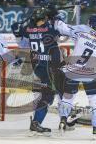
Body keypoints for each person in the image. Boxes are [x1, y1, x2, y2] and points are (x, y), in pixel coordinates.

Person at [54, 14, 96, 138]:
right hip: (91, 72)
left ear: (90, 23)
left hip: (73, 70)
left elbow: (61, 28)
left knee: (68, 96)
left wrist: (58, 18)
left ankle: (63, 120)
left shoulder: (82, 29)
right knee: (95, 99)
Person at [11, 7, 64, 135]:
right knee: (49, 95)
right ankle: (37, 123)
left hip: (37, 66)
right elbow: (61, 32)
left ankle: (56, 119)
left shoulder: (28, 29)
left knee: (52, 91)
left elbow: (21, 38)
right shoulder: (50, 28)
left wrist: (16, 32)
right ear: (44, 18)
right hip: (49, 67)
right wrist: (55, 17)